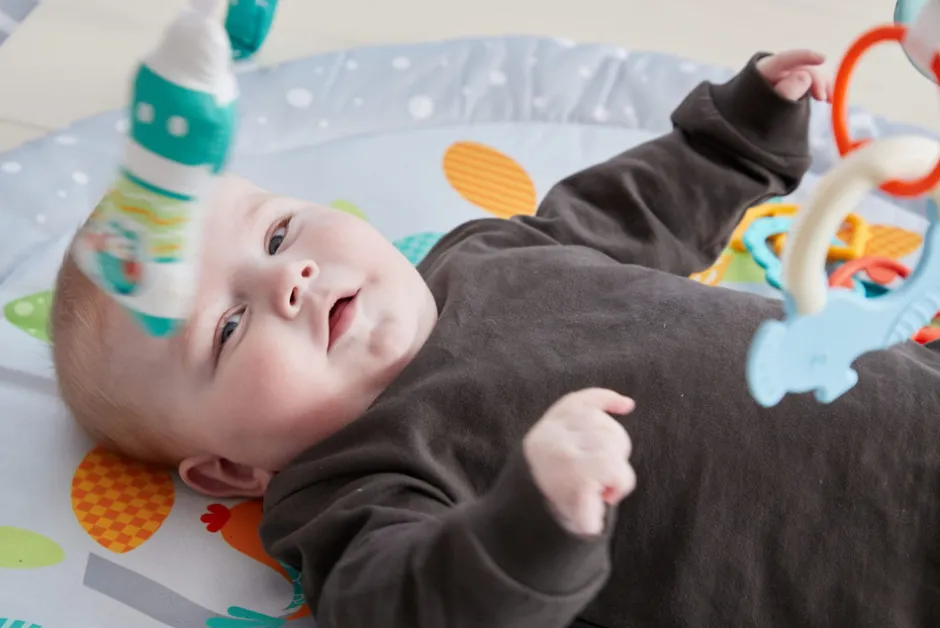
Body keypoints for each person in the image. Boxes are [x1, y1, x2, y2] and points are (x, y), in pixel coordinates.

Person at [53, 49, 940, 627]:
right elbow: (410, 605)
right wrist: (529, 524)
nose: (291, 278)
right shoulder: (348, 487)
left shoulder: (482, 254)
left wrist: (739, 134)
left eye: (278, 233)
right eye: (228, 326)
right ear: (231, 471)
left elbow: (635, 212)